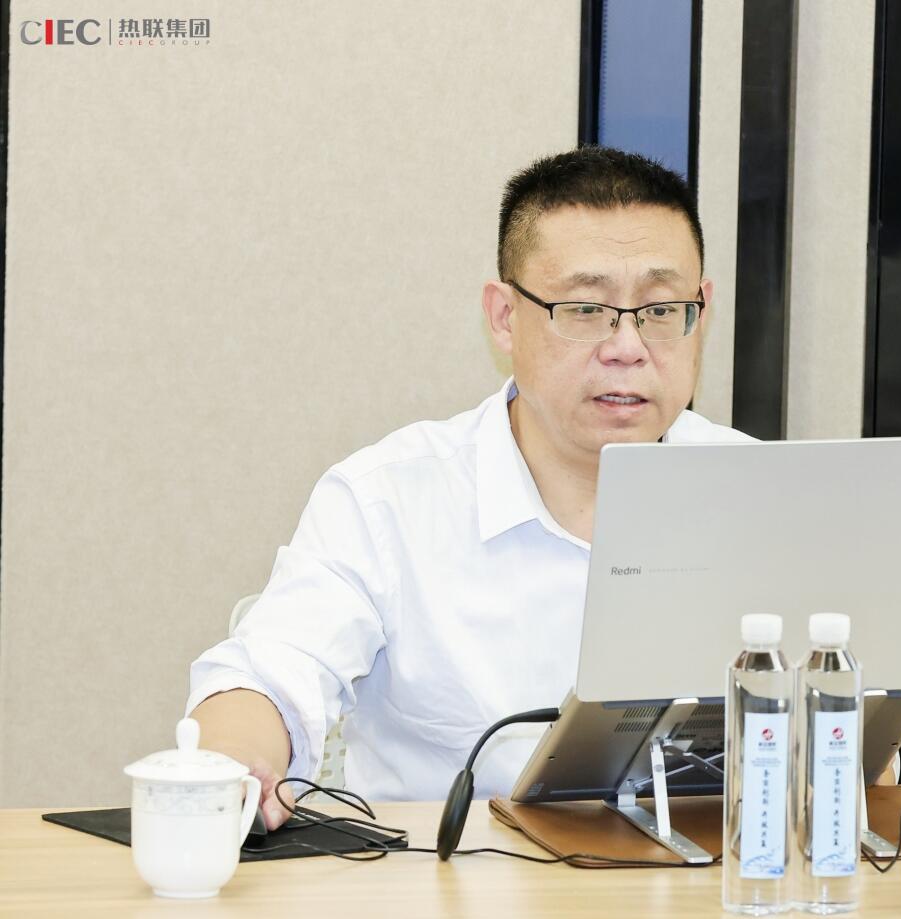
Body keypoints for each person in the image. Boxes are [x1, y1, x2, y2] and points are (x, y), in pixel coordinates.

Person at [186, 147, 751, 829]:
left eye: (660, 309)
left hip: (710, 876)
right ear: (505, 317)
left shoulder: (763, 495)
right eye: (585, 309)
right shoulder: (388, 500)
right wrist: (235, 762)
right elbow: (269, 673)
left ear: (701, 311)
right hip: (446, 877)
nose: (627, 346)